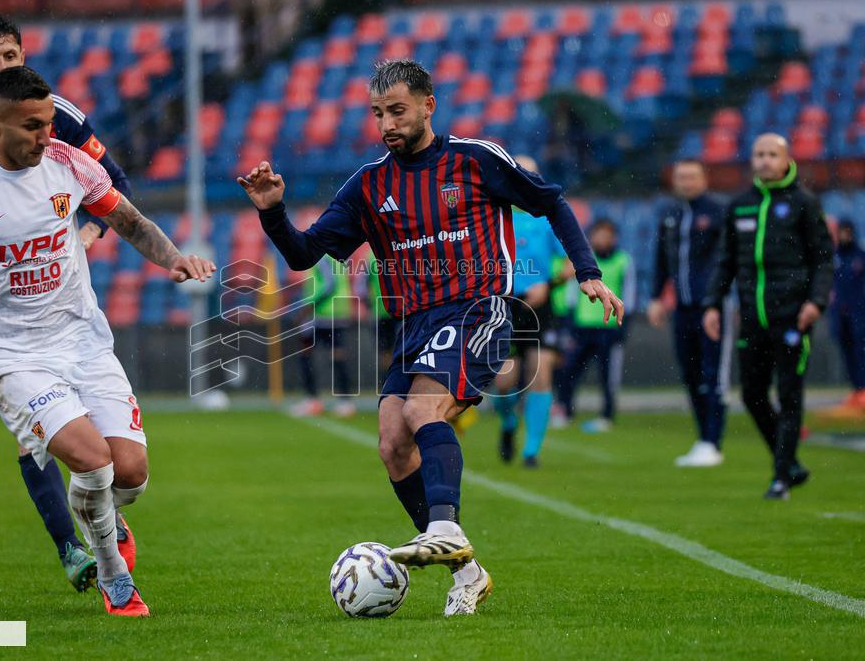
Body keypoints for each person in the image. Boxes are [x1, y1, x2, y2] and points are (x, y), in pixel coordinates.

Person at [238, 59, 623, 616]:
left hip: (480, 308)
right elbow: (304, 253)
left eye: (397, 110)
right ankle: (467, 571)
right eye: (377, 114)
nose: (387, 124)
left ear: (427, 105)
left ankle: (444, 526)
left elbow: (551, 201)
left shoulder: (475, 159)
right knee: (393, 443)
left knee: (423, 409)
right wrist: (272, 213)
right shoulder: (369, 185)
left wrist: (586, 271)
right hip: (415, 325)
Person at [0, 66, 216, 615]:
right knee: (92, 463)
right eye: (33, 126)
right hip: (13, 357)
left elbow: (129, 221)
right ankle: (114, 577)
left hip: (84, 341)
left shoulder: (68, 161)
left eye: (50, 124)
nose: (46, 136)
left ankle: (104, 516)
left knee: (129, 474)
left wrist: (174, 258)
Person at [0, 13, 134, 591]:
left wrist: (86, 237)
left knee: (65, 436)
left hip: (56, 287)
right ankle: (71, 547)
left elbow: (114, 184)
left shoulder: (58, 115)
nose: (0, 66)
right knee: (36, 430)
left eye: (9, 56)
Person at [702, 133, 833, 500]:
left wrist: (815, 302)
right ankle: (788, 462)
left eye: (771, 154)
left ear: (786, 158)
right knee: (752, 394)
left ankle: (780, 476)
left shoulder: (804, 204)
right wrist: (713, 303)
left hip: (793, 317)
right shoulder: (740, 205)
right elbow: (726, 260)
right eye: (758, 154)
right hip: (751, 318)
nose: (763, 161)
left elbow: (823, 258)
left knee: (790, 395)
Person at [647, 159, 731, 467]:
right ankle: (703, 439)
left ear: (704, 178)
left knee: (714, 375)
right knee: (691, 374)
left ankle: (713, 440)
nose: (686, 182)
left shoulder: (718, 212)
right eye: (681, 176)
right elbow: (661, 258)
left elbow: (728, 259)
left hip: (712, 308)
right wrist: (656, 297)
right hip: (682, 308)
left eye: (692, 176)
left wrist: (719, 300)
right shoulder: (670, 214)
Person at [491, 154, 572, 467]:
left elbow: (571, 262)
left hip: (540, 306)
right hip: (505, 305)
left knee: (540, 374)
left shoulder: (546, 217)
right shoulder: (495, 215)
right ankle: (509, 423)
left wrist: (548, 286)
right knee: (503, 383)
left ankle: (531, 451)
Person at [554, 219, 635, 433]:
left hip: (608, 329)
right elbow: (572, 294)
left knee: (608, 376)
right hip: (582, 328)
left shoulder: (623, 261)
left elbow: (629, 294)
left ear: (614, 238)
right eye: (598, 235)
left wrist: (623, 327)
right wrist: (570, 323)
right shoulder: (582, 262)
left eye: (606, 235)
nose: (602, 239)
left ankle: (607, 416)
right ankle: (565, 412)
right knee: (569, 372)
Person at [291, 256, 356, 418]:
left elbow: (329, 285)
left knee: (307, 354)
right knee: (337, 356)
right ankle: (345, 401)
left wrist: (308, 307)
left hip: (322, 313)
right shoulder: (337, 255)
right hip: (338, 311)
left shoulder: (322, 256)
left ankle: (314, 400)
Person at [827, 220, 865, 412]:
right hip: (841, 315)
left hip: (859, 313)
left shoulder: (860, 256)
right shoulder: (834, 257)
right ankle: (857, 389)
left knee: (861, 353)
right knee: (848, 352)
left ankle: (863, 389)